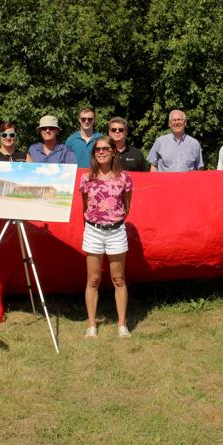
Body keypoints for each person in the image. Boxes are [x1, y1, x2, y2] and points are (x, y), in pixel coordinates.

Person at [79, 136, 133, 338]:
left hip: (117, 232)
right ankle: (91, 325)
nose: (101, 152)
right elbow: (84, 206)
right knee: (93, 280)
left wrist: (114, 220)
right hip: (93, 232)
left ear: (113, 152)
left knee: (118, 279)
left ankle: (121, 324)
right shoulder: (86, 178)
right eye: (97, 149)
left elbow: (127, 206)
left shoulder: (124, 178)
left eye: (105, 149)